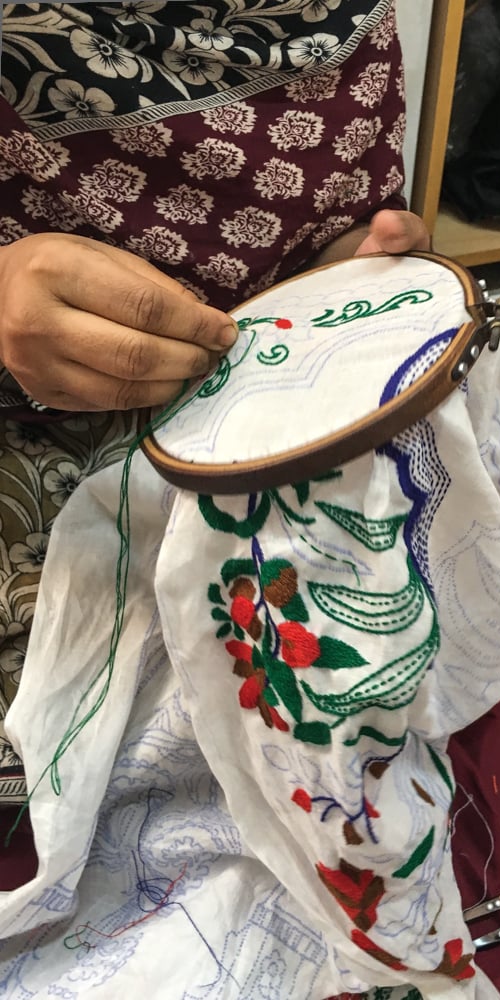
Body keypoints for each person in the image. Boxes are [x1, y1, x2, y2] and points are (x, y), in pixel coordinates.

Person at [0, 0, 430, 772]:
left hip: (274, 407)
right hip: (35, 435)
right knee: (76, 716)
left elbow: (340, 211)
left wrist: (352, 278)